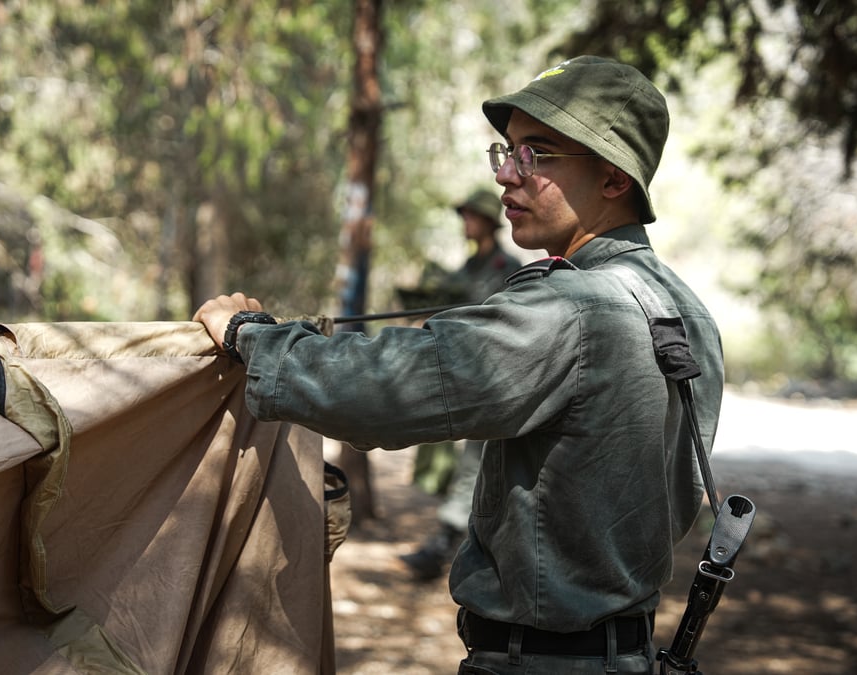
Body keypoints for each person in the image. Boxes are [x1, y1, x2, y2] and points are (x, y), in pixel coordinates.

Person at [194, 56, 724, 675]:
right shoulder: (687, 311)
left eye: (537, 155)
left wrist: (249, 336)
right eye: (507, 152)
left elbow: (388, 391)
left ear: (612, 178)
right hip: (624, 654)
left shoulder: (572, 305)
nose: (507, 176)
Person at [398, 189, 522, 582]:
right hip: (464, 376)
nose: (466, 222)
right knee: (462, 466)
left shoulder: (507, 265)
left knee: (478, 465)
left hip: (497, 380)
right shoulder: (468, 266)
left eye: (472, 215)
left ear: (488, 221)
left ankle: (442, 548)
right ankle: (459, 545)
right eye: (463, 214)